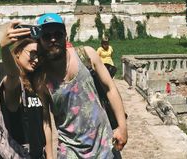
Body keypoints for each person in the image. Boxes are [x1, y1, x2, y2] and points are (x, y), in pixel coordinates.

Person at [36, 13, 128, 158]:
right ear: (39, 40)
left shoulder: (86, 54)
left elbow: (110, 88)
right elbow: (46, 122)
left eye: (58, 34)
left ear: (65, 36)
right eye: (47, 36)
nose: (53, 39)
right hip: (70, 150)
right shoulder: (41, 78)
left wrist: (122, 127)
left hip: (104, 144)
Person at [0, 20, 53, 159]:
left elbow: (45, 124)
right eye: (33, 54)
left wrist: (50, 155)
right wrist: (4, 48)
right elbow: (13, 74)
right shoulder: (14, 84)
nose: (37, 60)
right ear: (17, 52)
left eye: (40, 56)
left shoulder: (38, 86)